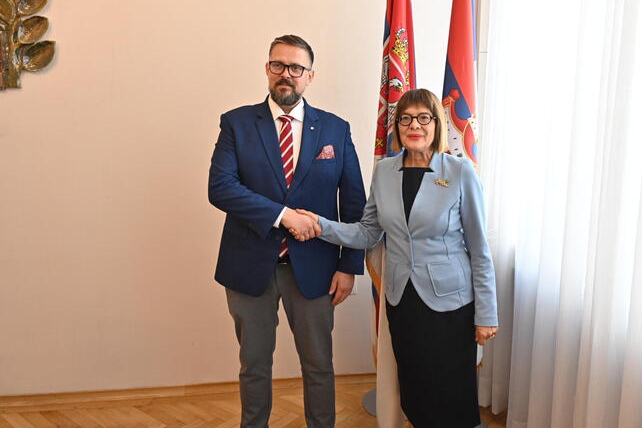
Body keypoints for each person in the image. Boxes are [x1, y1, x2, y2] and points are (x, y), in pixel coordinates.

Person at [293, 88, 498, 428]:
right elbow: (368, 233)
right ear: (397, 126)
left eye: (423, 117)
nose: (414, 125)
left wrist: (486, 313)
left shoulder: (460, 172)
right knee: (415, 389)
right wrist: (320, 225)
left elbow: (479, 248)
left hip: (450, 304)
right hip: (403, 300)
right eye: (406, 119)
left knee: (450, 392)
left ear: (437, 124)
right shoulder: (385, 171)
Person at [208, 34, 366, 428]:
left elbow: (354, 204)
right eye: (278, 65)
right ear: (267, 69)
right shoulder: (237, 123)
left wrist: (349, 266)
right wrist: (283, 216)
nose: (286, 74)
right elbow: (221, 188)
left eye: (296, 68)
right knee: (254, 365)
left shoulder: (335, 129)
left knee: (319, 365)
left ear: (310, 76)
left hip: (316, 269)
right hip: (249, 267)